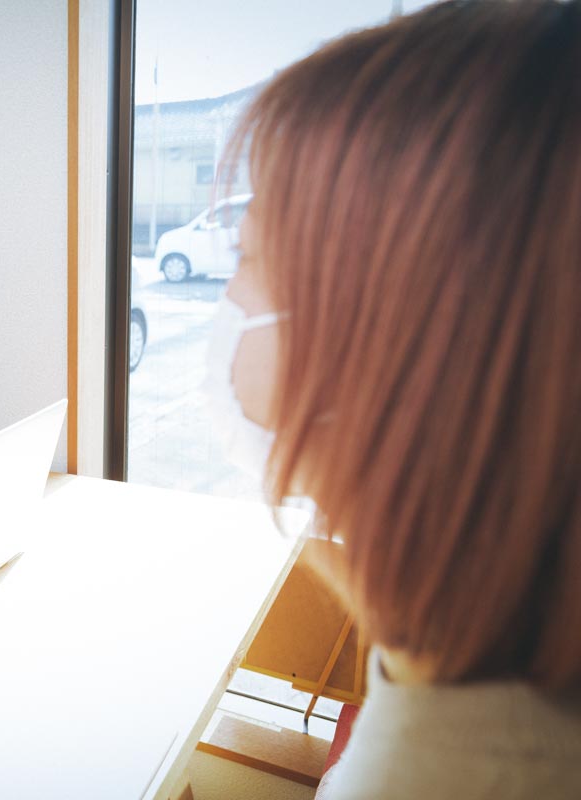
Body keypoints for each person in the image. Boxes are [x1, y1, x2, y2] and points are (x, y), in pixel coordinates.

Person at [207, 2, 581, 797]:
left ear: (400, 347)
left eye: (249, 257)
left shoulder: (449, 775)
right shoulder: (459, 653)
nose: (230, 298)